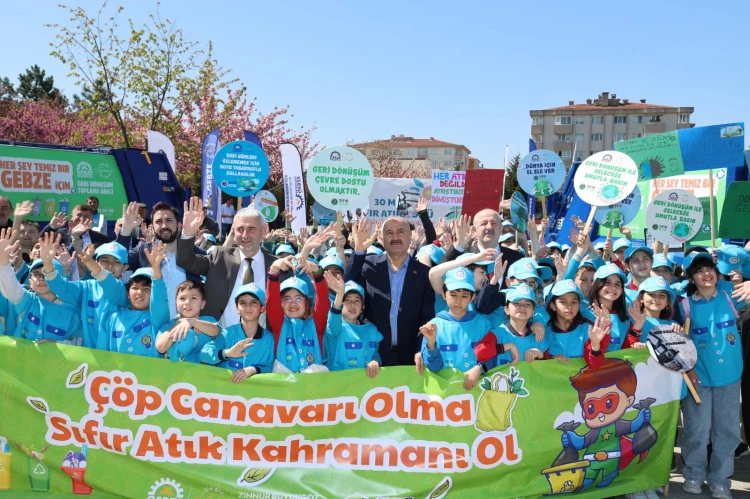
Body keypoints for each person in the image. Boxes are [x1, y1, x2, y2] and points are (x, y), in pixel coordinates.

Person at [679, 252, 745, 498]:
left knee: (728, 430)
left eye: (709, 268)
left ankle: (720, 480)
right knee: (696, 430)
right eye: (699, 271)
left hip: (730, 377)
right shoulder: (684, 306)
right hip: (698, 379)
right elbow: (679, 343)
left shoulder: (731, 295)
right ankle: (693, 475)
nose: (706, 274)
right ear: (691, 278)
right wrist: (688, 369)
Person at [176, 197, 295, 327]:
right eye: (240, 229)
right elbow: (185, 261)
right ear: (233, 230)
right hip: (219, 336)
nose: (245, 235)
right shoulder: (219, 257)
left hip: (263, 338)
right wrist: (188, 233)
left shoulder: (278, 267)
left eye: (251, 229)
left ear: (263, 231)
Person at [344, 217, 435, 367]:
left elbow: (426, 317)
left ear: (410, 236)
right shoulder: (369, 265)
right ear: (382, 238)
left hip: (412, 358)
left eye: (400, 232)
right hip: (373, 357)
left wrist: (421, 349)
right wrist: (359, 251)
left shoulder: (424, 274)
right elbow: (347, 286)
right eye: (389, 233)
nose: (395, 237)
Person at [118, 201, 205, 318]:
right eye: (159, 222)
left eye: (169, 220)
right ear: (152, 227)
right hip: (149, 324)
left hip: (186, 324)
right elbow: (117, 261)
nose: (164, 226)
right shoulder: (143, 250)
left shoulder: (197, 254)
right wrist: (126, 229)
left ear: (179, 225)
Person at [41, 235, 129, 349]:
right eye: (104, 261)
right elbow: (60, 287)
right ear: (97, 262)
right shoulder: (87, 287)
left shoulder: (127, 290)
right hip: (88, 356)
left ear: (125, 267)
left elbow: (110, 285)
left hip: (118, 357)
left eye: (116, 262)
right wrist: (47, 262)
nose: (110, 265)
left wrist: (91, 265)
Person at [0, 229, 82, 344]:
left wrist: (58, 344)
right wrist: (3, 259)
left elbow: (78, 343)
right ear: (30, 282)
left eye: (46, 273)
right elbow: (9, 284)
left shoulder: (73, 311)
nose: (41, 278)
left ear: (58, 279)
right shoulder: (27, 301)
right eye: (36, 274)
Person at [98, 243, 170, 357]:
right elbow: (102, 351)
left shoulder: (157, 318)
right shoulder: (114, 317)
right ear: (127, 293)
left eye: (147, 289)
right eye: (135, 288)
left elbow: (160, 298)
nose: (140, 292)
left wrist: (156, 268)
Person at [265, 255, 330, 372]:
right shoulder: (280, 325)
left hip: (314, 383)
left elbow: (323, 302)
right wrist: (274, 271)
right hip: (285, 383)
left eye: (298, 298)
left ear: (307, 303)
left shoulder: (315, 325)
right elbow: (271, 302)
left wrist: (317, 273)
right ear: (281, 304)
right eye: (287, 299)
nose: (293, 303)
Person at [201, 283, 275, 383]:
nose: (248, 306)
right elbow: (203, 354)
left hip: (256, 392)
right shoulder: (227, 334)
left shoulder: (270, 339)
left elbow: (272, 367)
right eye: (243, 303)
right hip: (226, 391)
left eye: (253, 302)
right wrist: (227, 353)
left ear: (262, 308)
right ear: (236, 308)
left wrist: (253, 369)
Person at [324, 276, 383, 377]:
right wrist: (339, 294)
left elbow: (375, 353)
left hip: (363, 384)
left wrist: (375, 361)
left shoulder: (371, 330)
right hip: (337, 384)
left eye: (357, 301)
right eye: (347, 300)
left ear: (363, 307)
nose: (352, 304)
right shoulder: (336, 328)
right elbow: (333, 321)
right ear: (341, 304)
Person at [155, 280, 220, 362]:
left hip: (202, 369)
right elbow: (160, 348)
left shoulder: (207, 321)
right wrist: (177, 325)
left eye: (193, 298)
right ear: (176, 304)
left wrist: (193, 322)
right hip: (175, 369)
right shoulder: (170, 325)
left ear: (202, 304)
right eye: (182, 298)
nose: (187, 302)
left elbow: (216, 330)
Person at [42, 204, 110, 250]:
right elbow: (41, 244)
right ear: (71, 217)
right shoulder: (60, 234)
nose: (82, 218)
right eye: (79, 215)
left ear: (92, 220)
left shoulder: (101, 238)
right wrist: (51, 226)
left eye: (86, 216)